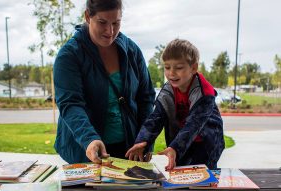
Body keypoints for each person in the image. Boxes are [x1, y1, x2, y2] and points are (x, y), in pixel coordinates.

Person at [53, 0, 155, 164]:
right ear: (88, 16)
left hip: (129, 151)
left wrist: (145, 140)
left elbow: (146, 98)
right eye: (102, 22)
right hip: (86, 152)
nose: (110, 31)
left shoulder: (132, 51)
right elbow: (71, 104)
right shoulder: (69, 55)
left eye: (116, 23)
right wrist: (89, 139)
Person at [126, 39, 225, 170]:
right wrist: (143, 141)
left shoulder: (204, 92)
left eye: (178, 68)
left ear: (193, 68)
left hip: (206, 144)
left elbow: (194, 125)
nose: (171, 73)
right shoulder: (169, 90)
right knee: (179, 176)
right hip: (182, 142)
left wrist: (175, 147)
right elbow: (156, 118)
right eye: (167, 67)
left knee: (202, 178)